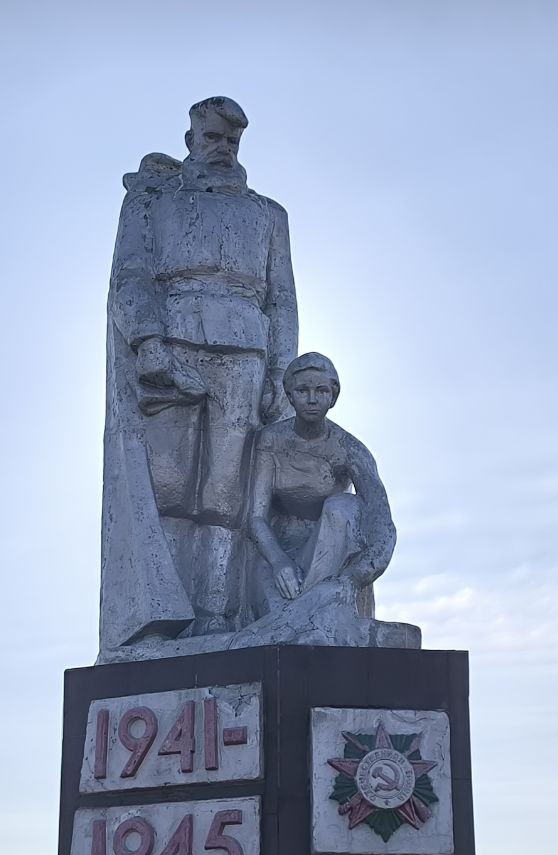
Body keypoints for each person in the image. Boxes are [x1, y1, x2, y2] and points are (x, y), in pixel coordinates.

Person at [100, 97, 298, 656]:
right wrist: (148, 341)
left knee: (227, 492)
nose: (222, 149)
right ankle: (162, 613)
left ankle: (216, 614)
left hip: (245, 352)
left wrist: (280, 370)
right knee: (167, 486)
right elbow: (131, 276)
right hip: (174, 345)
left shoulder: (267, 214)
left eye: (231, 141)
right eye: (211, 138)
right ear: (191, 138)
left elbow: (282, 300)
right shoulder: (153, 202)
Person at [246, 353, 396, 629]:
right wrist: (279, 562)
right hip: (277, 556)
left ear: (333, 396)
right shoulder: (270, 441)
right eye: (303, 391)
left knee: (345, 506)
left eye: (321, 391)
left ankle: (320, 605)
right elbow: (255, 517)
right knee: (279, 630)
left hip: (334, 559)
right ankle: (308, 612)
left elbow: (382, 527)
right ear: (290, 396)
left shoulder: (350, 449)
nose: (312, 399)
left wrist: (353, 578)